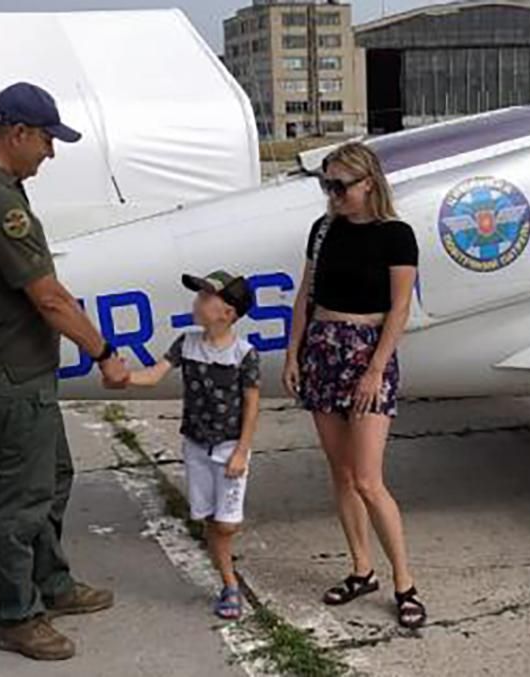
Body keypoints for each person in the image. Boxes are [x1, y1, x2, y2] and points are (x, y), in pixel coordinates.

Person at [0, 82, 130, 661]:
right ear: (17, 133)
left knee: (53, 476)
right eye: (47, 139)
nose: (50, 152)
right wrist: (103, 353)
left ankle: (52, 584)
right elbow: (47, 298)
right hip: (9, 371)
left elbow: (43, 288)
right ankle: (18, 616)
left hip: (19, 366)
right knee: (22, 496)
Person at [283, 142, 427, 629]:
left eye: (341, 186)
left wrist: (375, 368)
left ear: (369, 183)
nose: (333, 195)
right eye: (327, 185)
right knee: (341, 473)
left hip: (369, 351)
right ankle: (361, 569)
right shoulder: (323, 231)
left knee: (368, 479)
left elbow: (400, 308)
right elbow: (306, 294)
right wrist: (293, 352)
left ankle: (404, 582)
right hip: (323, 348)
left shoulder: (396, 235)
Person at [118, 271, 261, 621]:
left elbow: (252, 404)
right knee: (209, 517)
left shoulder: (244, 354)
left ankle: (225, 571)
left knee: (226, 524)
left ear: (227, 313)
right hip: (196, 445)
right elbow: (154, 375)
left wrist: (243, 449)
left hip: (229, 447)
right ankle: (229, 583)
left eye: (206, 297)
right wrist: (124, 378)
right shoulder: (187, 343)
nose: (197, 302)